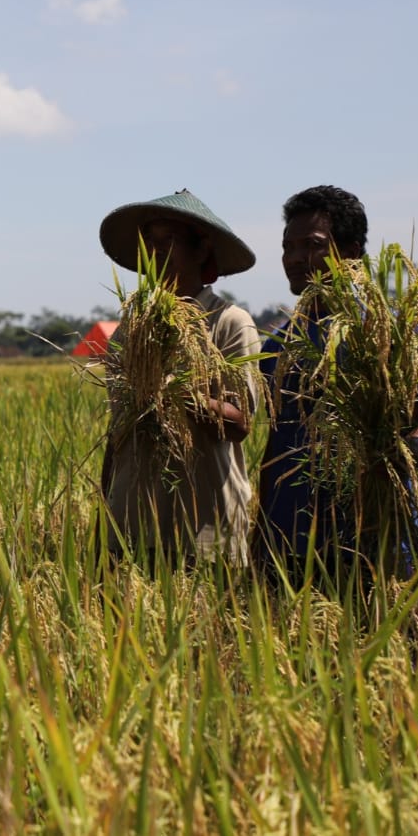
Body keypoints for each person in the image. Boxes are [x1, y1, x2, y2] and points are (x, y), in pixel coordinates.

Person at [256, 185, 418, 585]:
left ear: (351, 252)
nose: (295, 258)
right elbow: (275, 441)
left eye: (312, 245)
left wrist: (399, 454)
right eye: (288, 247)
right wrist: (260, 537)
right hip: (289, 536)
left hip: (374, 533)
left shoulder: (391, 334)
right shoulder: (278, 346)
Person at [97, 189, 261, 567]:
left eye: (167, 241)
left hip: (204, 526)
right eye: (149, 244)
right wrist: (106, 516)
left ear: (201, 249)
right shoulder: (131, 331)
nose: (154, 254)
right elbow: (118, 431)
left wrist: (173, 386)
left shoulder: (229, 323)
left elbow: (239, 425)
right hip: (133, 520)